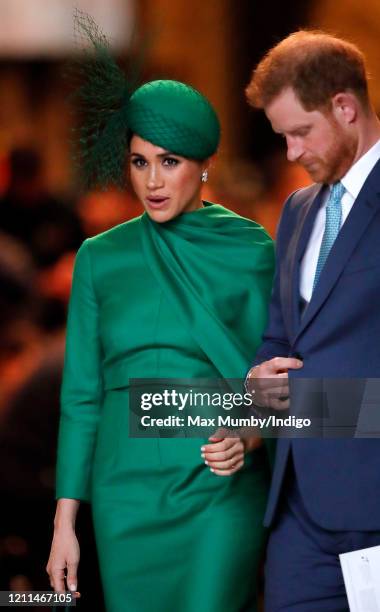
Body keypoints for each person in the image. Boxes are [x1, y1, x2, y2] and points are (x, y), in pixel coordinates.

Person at [46, 14, 275, 612]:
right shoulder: (100, 257)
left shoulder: (253, 251)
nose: (151, 180)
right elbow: (81, 396)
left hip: (217, 484)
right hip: (124, 497)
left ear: (205, 164)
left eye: (169, 162)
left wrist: (251, 435)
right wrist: (65, 520)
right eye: (139, 161)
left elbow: (283, 377)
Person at [245, 30, 380, 611]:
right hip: (295, 506)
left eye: (301, 132)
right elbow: (282, 335)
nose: (292, 152)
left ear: (345, 108)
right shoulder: (298, 209)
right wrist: (258, 386)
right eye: (283, 137)